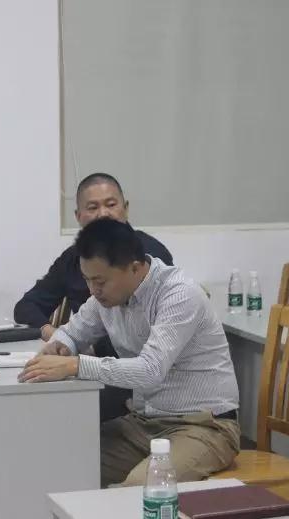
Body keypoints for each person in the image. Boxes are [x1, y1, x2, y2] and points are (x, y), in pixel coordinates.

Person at [18, 219, 240, 487]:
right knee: (59, 462)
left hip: (203, 427)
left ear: (134, 267)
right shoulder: (106, 298)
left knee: (141, 489)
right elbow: (72, 332)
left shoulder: (179, 295)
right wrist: (61, 344)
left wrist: (74, 365)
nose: (93, 290)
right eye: (87, 280)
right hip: (143, 424)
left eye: (100, 281)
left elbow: (149, 371)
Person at [14, 172, 172, 421]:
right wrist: (59, 339)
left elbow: (148, 363)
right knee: (38, 402)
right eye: (93, 207)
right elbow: (37, 311)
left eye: (111, 204)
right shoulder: (76, 261)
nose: (103, 214)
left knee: (65, 417)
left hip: (139, 381)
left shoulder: (150, 258)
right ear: (78, 216)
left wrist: (80, 361)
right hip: (96, 368)